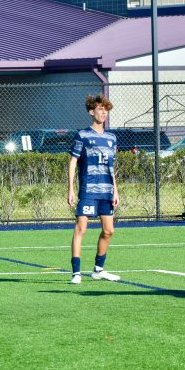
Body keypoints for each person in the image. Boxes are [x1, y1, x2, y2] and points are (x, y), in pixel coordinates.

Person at [67, 94, 120, 284]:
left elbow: (111, 167)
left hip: (106, 192)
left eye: (106, 110)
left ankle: (98, 270)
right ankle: (76, 273)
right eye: (100, 109)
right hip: (88, 191)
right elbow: (73, 162)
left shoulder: (111, 138)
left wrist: (115, 190)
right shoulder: (82, 135)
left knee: (109, 231)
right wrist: (71, 189)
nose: (104, 113)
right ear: (91, 112)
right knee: (81, 228)